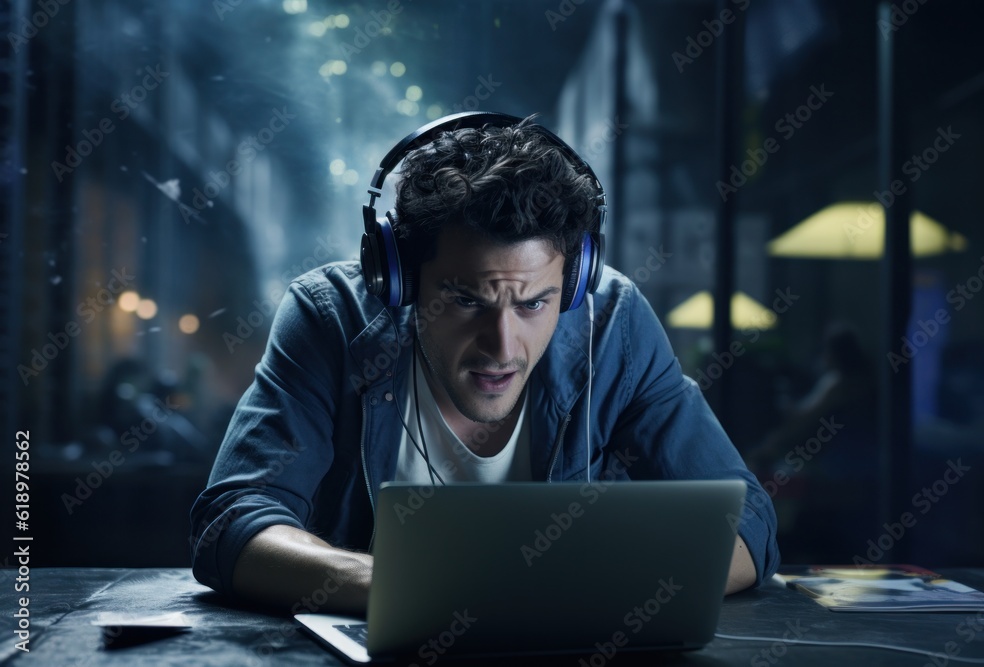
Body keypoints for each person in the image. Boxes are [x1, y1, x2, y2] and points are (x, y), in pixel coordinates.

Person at [189, 112, 780, 615]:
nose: (501, 344)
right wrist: (426, 592)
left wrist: (562, 598)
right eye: (466, 300)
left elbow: (747, 524)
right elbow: (233, 524)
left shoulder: (614, 322)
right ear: (399, 278)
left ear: (575, 283)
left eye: (534, 303)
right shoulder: (330, 317)